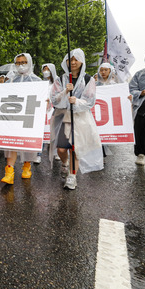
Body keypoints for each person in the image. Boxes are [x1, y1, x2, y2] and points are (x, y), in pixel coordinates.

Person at [50, 48, 103, 190]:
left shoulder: (88, 79)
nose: (73, 62)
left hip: (79, 119)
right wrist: (65, 92)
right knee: (61, 149)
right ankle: (65, 163)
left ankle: (72, 176)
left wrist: (77, 102)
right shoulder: (60, 79)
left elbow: (90, 101)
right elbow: (54, 100)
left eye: (76, 59)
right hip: (63, 118)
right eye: (70, 59)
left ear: (81, 61)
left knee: (75, 148)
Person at [1, 53, 42, 184]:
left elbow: (43, 100)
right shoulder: (11, 80)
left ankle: (26, 166)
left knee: (27, 143)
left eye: (24, 62)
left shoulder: (37, 81)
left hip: (29, 116)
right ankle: (9, 172)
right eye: (18, 63)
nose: (21, 65)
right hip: (13, 116)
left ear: (29, 62)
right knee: (11, 143)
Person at [41, 63, 59, 162]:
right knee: (43, 131)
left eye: (48, 69)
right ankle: (38, 154)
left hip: (54, 109)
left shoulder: (57, 82)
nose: (46, 71)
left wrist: (51, 101)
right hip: (43, 110)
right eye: (44, 69)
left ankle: (56, 153)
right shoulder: (41, 83)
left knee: (54, 131)